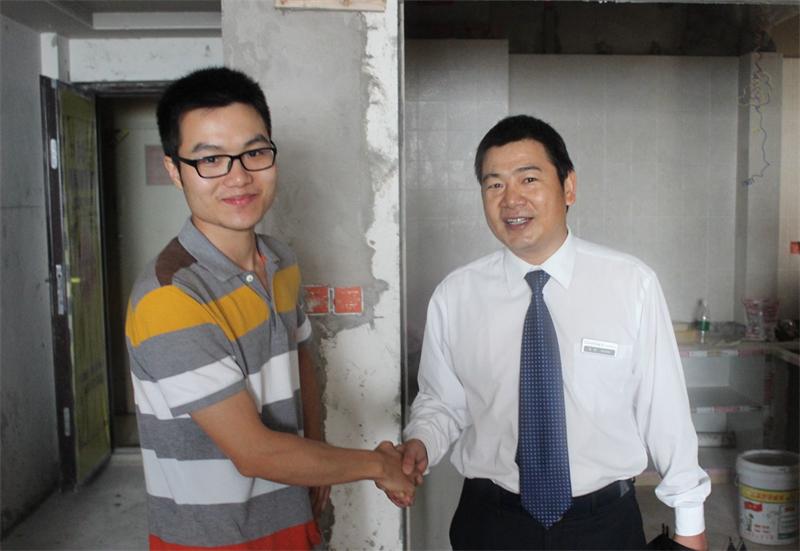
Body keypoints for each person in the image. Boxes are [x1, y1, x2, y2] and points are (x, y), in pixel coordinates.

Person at [126, 67, 414, 550]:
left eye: (255, 153)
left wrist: (317, 460)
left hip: (291, 514)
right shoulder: (170, 297)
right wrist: (379, 465)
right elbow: (254, 453)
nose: (239, 176)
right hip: (214, 539)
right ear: (175, 171)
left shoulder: (280, 261)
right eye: (210, 159)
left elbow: (300, 361)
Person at [394, 115, 710, 550]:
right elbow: (442, 401)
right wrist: (421, 442)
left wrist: (690, 522)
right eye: (494, 184)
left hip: (604, 525)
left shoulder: (630, 284)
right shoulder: (457, 296)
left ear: (568, 187)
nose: (511, 199)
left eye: (528, 179)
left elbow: (665, 411)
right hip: (491, 523)